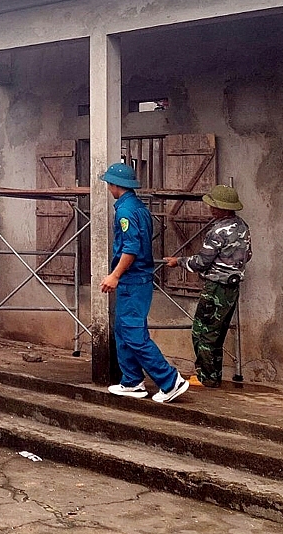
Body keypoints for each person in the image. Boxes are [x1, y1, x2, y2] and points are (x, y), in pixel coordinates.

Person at [100, 162, 189, 403]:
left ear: (115, 185)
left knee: (133, 332)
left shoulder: (125, 212)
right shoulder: (139, 208)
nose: (108, 187)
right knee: (123, 330)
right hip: (139, 278)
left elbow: (131, 248)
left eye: (109, 183)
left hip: (132, 279)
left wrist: (115, 275)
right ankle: (132, 381)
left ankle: (170, 381)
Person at [164, 185, 252, 388]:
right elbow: (248, 255)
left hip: (215, 287)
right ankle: (214, 375)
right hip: (232, 287)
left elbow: (201, 262)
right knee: (217, 332)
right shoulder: (242, 226)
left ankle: (207, 377)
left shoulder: (217, 231)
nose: (210, 209)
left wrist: (178, 261)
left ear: (222, 208)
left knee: (202, 331)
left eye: (214, 205)